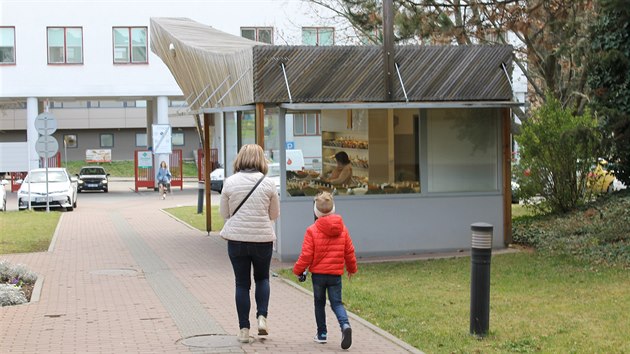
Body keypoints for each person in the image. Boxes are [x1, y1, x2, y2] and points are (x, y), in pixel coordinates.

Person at [220, 144, 280, 343]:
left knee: (242, 284)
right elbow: (274, 214)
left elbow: (225, 214)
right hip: (262, 240)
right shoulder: (269, 184)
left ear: (240, 159)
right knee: (262, 279)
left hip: (237, 240)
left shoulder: (229, 182)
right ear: (261, 160)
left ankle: (244, 330)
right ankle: (262, 317)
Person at [293, 191, 358, 350]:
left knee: (319, 303)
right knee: (337, 303)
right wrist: (351, 268)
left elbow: (306, 255)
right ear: (333, 208)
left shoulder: (312, 230)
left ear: (315, 211)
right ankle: (345, 326)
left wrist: (298, 270)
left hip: (319, 276)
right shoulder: (342, 229)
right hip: (335, 275)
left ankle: (322, 334)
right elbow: (349, 251)